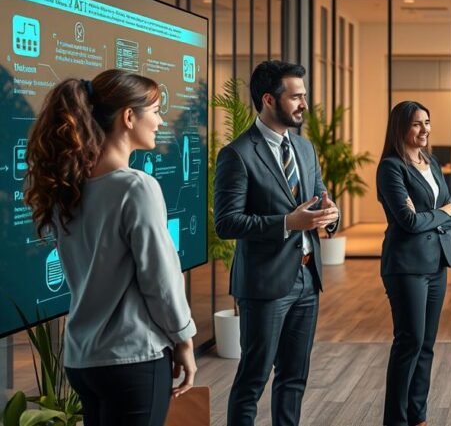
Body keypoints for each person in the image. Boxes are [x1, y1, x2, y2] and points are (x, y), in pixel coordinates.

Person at [24, 69, 196, 426]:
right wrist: (184, 339)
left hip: (83, 361)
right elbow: (160, 279)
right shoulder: (135, 187)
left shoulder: (67, 189)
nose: (162, 120)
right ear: (129, 117)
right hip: (133, 360)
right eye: (156, 110)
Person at [215, 60, 339, 426]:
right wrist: (288, 222)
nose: (304, 104)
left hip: (306, 280)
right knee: (253, 379)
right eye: (296, 96)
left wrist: (331, 216)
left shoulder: (305, 149)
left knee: (294, 378)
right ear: (269, 99)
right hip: (264, 284)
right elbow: (226, 222)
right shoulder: (237, 154)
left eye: (304, 95)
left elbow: (319, 199)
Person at [377, 101, 451, 426]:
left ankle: (417, 417)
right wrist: (440, 215)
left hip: (436, 262)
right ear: (401, 128)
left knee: (426, 344)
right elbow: (407, 221)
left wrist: (431, 216)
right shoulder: (391, 168)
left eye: (427, 122)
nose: (425, 130)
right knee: (409, 342)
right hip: (406, 266)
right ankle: (396, 420)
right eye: (416, 124)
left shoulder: (431, 161)